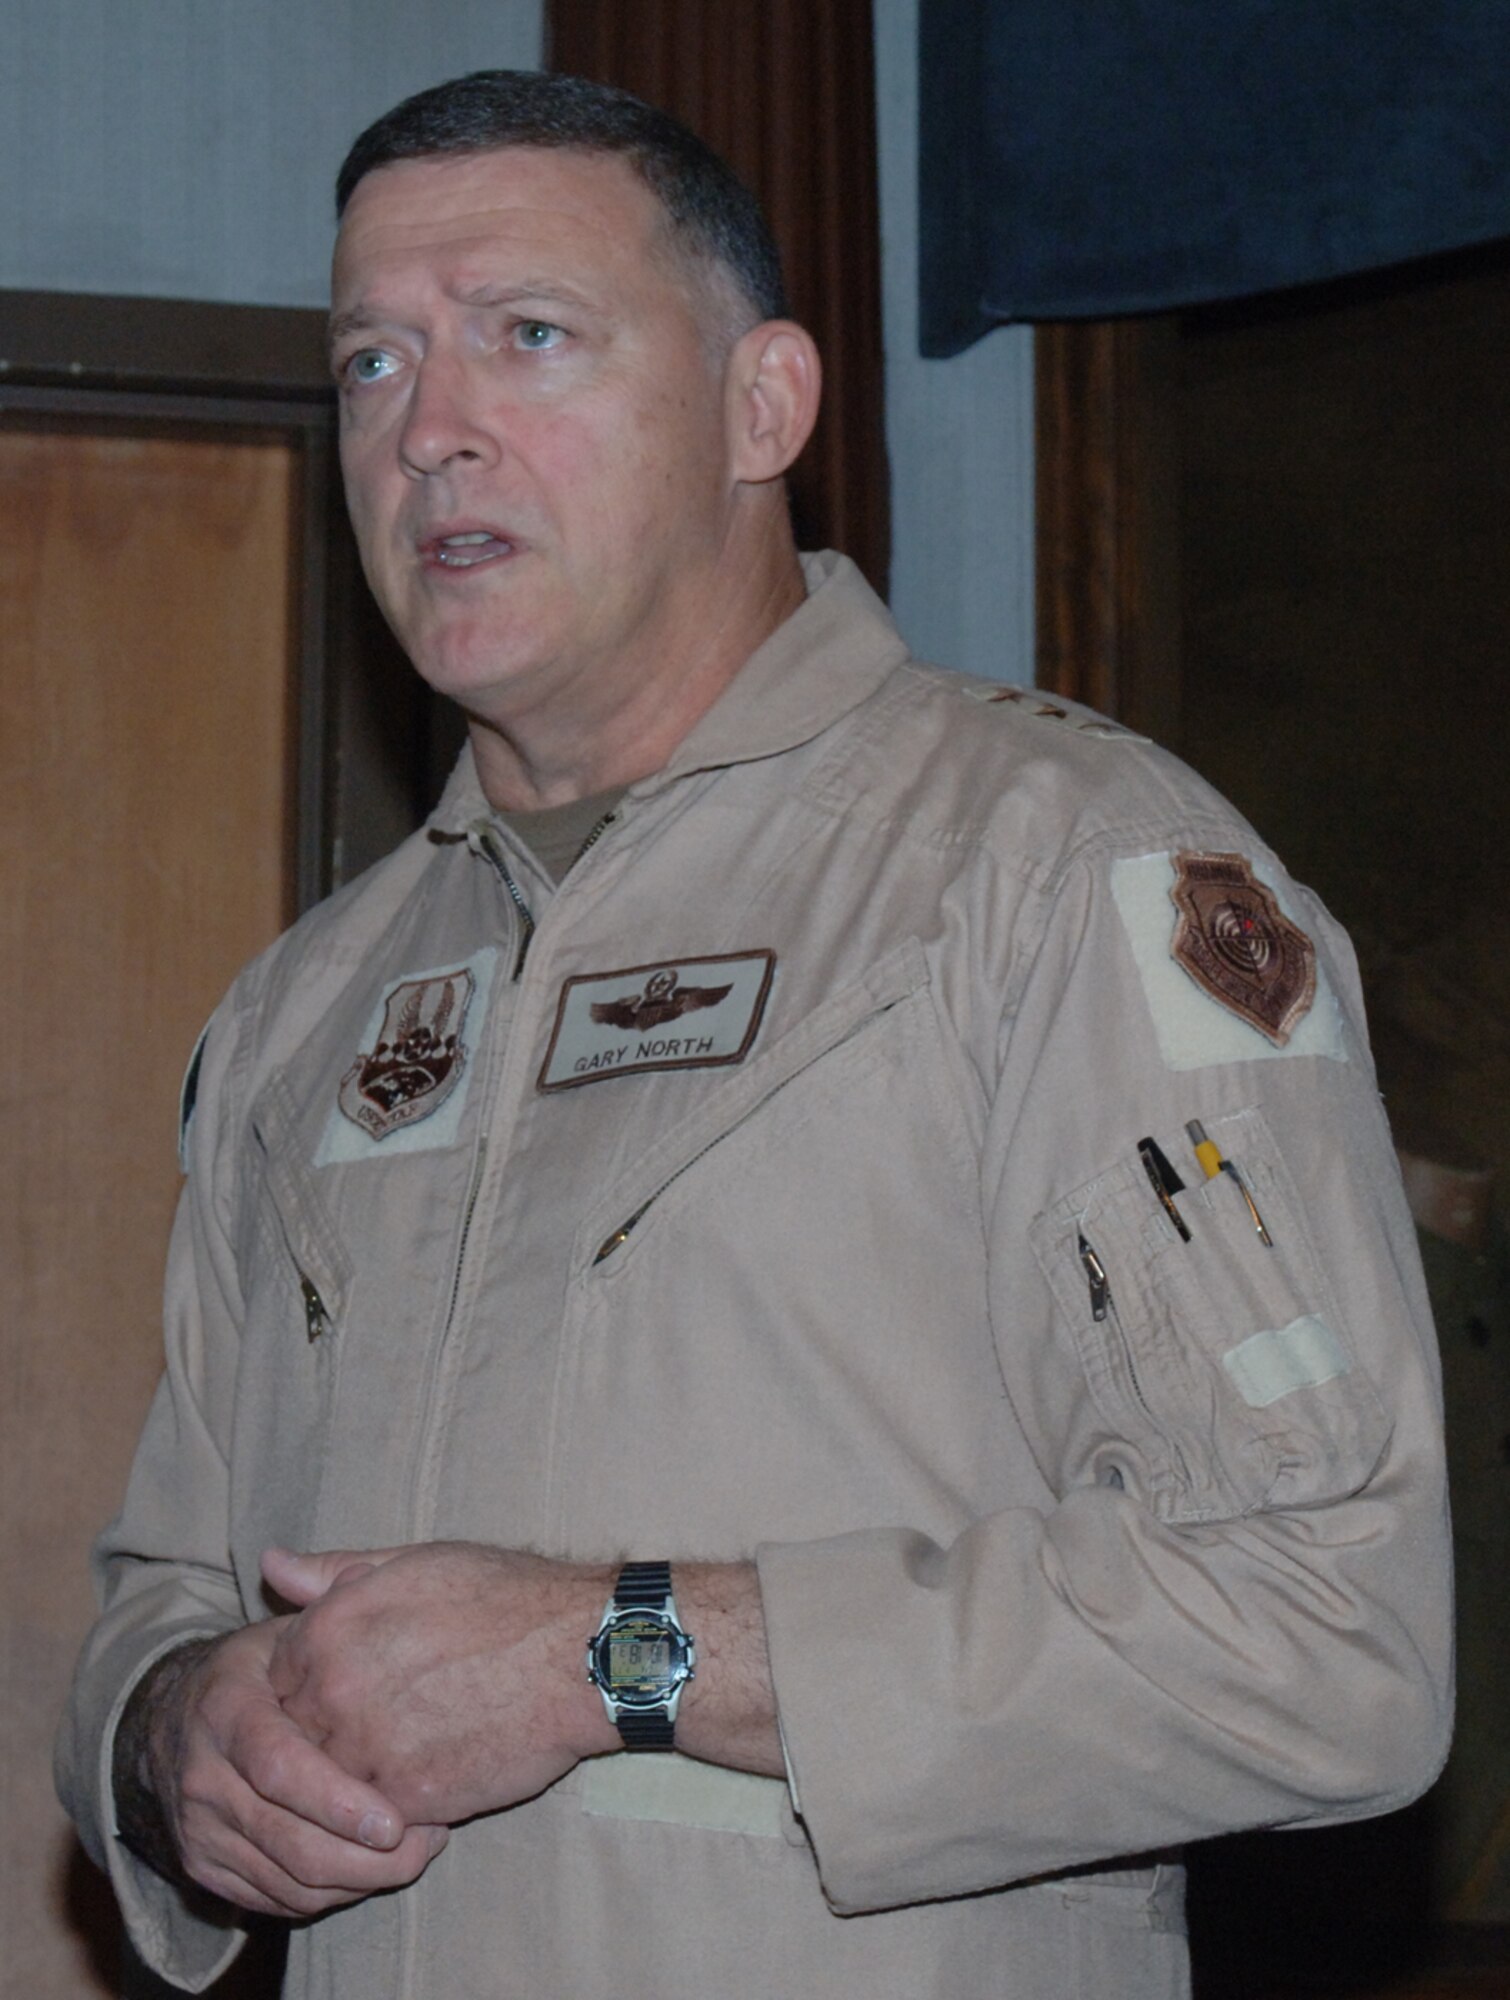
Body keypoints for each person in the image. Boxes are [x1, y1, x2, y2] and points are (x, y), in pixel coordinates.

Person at [56, 70, 1452, 2000]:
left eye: (524, 337)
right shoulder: (310, 1014)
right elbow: (158, 1596)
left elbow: (1327, 1635)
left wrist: (610, 1655)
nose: (430, 432)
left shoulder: (1055, 876)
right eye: (372, 364)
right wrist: (171, 1743)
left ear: (761, 405)